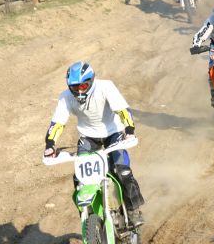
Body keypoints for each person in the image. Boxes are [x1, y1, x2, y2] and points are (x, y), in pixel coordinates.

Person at [42, 61, 145, 227]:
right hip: (88, 137)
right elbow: (58, 123)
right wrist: (50, 145)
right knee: (80, 179)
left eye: (83, 86)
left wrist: (129, 130)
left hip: (114, 132)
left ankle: (133, 210)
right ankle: (88, 217)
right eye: (75, 87)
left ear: (91, 81)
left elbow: (122, 110)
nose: (79, 91)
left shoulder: (106, 87)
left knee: (122, 170)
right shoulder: (65, 97)